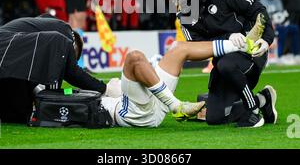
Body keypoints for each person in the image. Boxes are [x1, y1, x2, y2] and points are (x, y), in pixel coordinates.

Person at [0, 14, 120, 125]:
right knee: (39, 104)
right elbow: (72, 72)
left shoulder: (39, 29)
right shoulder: (65, 34)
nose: (69, 59)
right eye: (73, 56)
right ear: (74, 44)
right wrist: (104, 88)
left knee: (24, 112)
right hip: (2, 59)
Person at [161, 0, 277, 128]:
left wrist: (266, 39)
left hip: (250, 54)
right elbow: (198, 48)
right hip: (224, 66)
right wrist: (228, 40)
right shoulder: (183, 17)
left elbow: (257, 9)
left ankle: (253, 112)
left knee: (226, 64)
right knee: (214, 118)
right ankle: (263, 99)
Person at [104, 21, 271, 127]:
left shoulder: (87, 87)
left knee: (179, 48)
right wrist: (109, 88)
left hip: (156, 100)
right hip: (134, 114)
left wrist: (106, 87)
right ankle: (177, 106)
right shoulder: (89, 101)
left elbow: (85, 80)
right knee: (134, 57)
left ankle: (243, 46)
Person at [258, 0, 300, 65]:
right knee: (281, 29)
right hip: (262, 26)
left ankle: (296, 55)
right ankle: (279, 57)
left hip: (276, 24)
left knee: (294, 28)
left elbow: (280, 14)